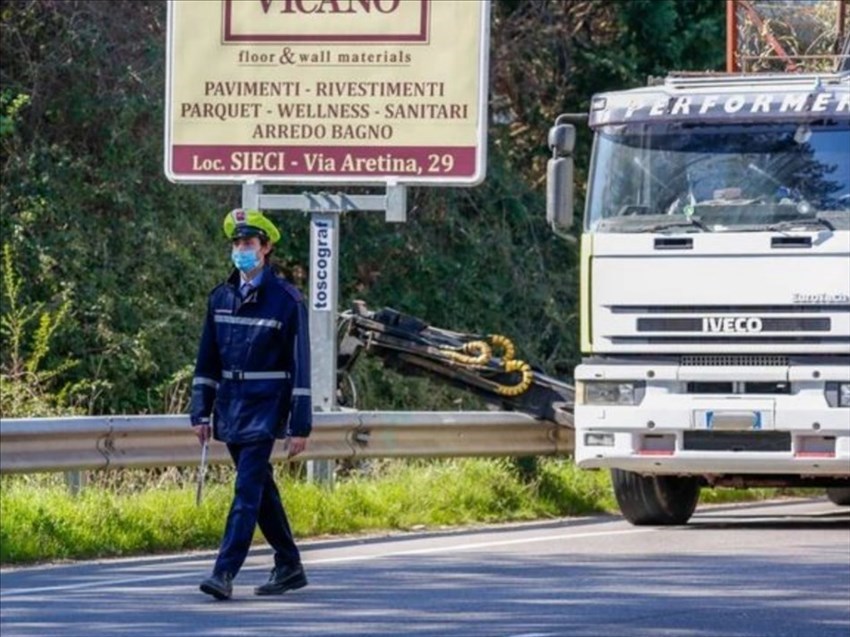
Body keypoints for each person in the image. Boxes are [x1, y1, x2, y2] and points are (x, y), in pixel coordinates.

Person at [191, 208, 312, 601]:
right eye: (237, 243)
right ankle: (289, 564)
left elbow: (301, 365)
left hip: (266, 407)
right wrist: (200, 411)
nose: (242, 250)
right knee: (260, 489)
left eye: (249, 243)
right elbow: (207, 360)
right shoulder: (220, 297)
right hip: (230, 408)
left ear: (266, 247)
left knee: (246, 490)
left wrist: (299, 425)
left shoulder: (287, 301)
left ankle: (224, 572)